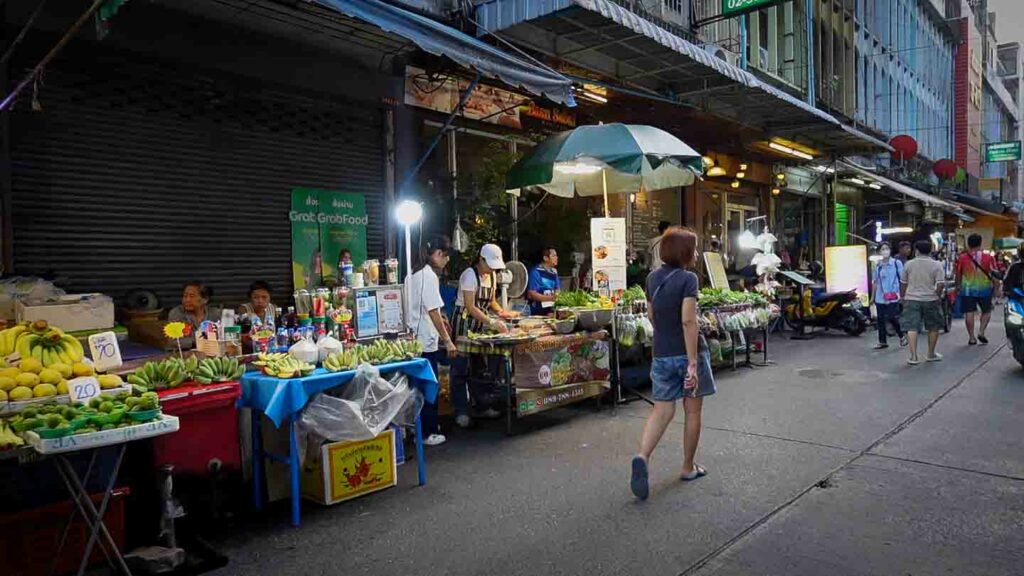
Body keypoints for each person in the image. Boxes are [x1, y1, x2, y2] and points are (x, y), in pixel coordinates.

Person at [630, 227, 715, 501]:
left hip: (662, 354)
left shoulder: (653, 278)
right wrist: (692, 362)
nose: (697, 253)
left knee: (662, 409)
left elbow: (652, 315)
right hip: (688, 353)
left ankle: (642, 455)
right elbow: (688, 321)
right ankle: (688, 467)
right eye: (695, 248)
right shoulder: (689, 279)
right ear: (686, 253)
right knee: (692, 412)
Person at [449, 244, 511, 428]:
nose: (492, 268)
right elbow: (470, 306)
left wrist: (502, 313)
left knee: (479, 366)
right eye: (489, 264)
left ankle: (482, 405)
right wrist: (492, 322)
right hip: (463, 323)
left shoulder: (491, 275)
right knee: (460, 369)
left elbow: (490, 301)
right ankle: (461, 410)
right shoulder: (469, 275)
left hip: (479, 324)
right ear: (481, 259)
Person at [405, 235, 457, 446]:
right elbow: (434, 312)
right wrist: (448, 340)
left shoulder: (412, 274)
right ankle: (428, 432)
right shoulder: (428, 276)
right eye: (445, 257)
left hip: (413, 340)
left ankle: (414, 429)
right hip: (425, 342)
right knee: (429, 386)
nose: (446, 262)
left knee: (415, 388)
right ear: (437, 254)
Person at [900, 240, 945, 365]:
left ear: (917, 251)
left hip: (912, 298)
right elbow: (940, 283)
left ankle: (913, 356)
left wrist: (903, 297)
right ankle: (931, 354)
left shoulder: (909, 264)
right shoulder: (937, 265)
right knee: (933, 326)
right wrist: (937, 295)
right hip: (931, 299)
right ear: (930, 251)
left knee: (911, 327)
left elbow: (903, 283)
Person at [955, 233, 998, 345]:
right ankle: (981, 331)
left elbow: (958, 274)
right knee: (987, 311)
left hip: (968, 290)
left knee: (969, 313)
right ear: (980, 243)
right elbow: (994, 274)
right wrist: (997, 288)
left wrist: (958, 286)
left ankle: (972, 337)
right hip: (985, 289)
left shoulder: (962, 257)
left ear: (968, 244)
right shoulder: (989, 257)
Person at [872, 244, 907, 349]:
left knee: (892, 316)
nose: (885, 251)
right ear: (879, 252)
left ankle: (901, 335)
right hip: (880, 296)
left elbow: (902, 279)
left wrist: (902, 294)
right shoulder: (878, 266)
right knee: (880, 319)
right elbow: (875, 282)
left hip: (893, 295)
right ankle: (882, 341)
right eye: (882, 249)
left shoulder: (896, 263)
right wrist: (872, 297)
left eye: (887, 249)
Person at [168, 281, 221, 349]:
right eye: (185, 296)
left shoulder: (215, 314)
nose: (187, 300)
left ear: (205, 299)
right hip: (182, 355)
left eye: (192, 296)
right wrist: (198, 341)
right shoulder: (177, 313)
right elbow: (174, 341)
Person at [526, 247, 560, 316]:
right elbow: (532, 294)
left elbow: (557, 290)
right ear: (545, 258)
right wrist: (551, 298)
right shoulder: (536, 272)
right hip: (537, 311)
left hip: (551, 311)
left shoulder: (554, 272)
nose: (556, 258)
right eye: (553, 256)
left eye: (556, 255)